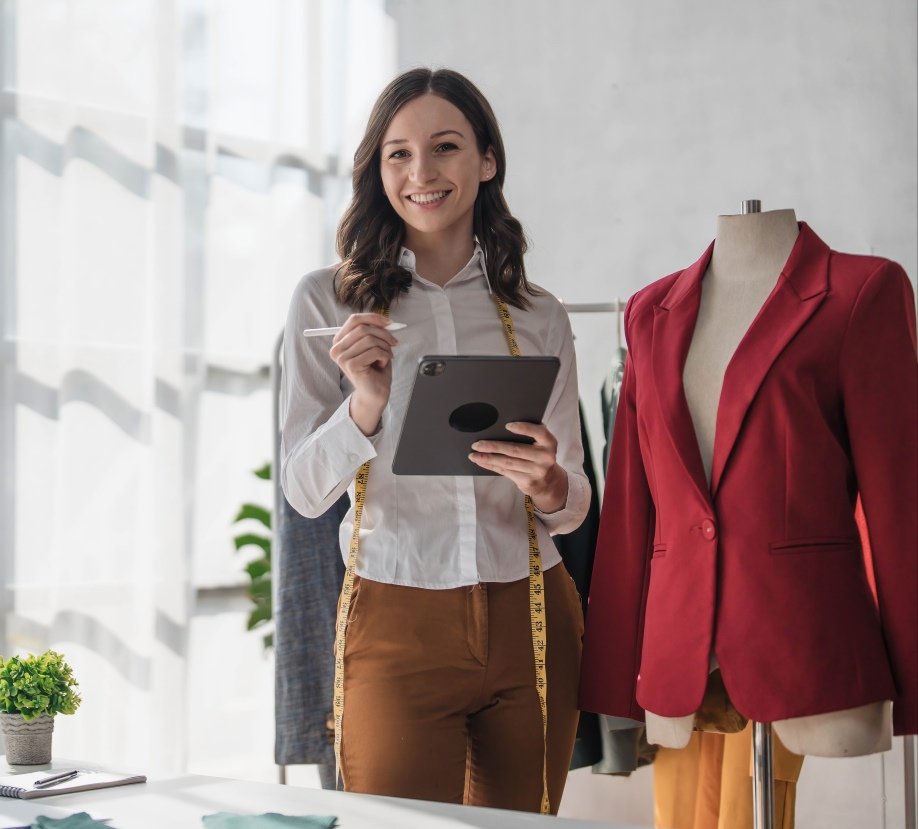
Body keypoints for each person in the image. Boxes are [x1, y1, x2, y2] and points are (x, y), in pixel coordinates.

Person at [280, 67, 589, 814]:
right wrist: (366, 404)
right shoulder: (329, 300)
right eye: (398, 153)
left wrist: (548, 483)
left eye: (446, 147)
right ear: (376, 168)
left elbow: (573, 501)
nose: (422, 172)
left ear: (486, 161)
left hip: (530, 609)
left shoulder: (536, 313)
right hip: (396, 617)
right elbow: (302, 488)